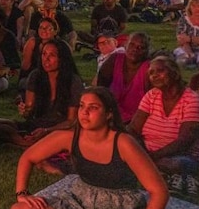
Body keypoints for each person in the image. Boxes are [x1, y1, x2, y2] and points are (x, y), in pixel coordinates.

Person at [12, 87, 168, 209]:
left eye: (93, 107)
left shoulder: (123, 143)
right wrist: (22, 193)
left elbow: (159, 192)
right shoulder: (68, 137)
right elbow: (28, 157)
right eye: (82, 106)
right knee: (20, 208)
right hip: (80, 197)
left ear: (108, 114)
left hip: (117, 204)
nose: (84, 112)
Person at [0, 40, 83, 148]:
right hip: (37, 125)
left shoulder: (73, 81)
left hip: (59, 128)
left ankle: (26, 143)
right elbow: (29, 114)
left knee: (69, 134)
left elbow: (71, 121)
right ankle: (26, 143)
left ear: (62, 59)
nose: (46, 59)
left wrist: (46, 131)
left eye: (52, 55)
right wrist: (24, 110)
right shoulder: (36, 76)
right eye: (44, 54)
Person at [127, 55, 199, 195]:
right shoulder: (151, 96)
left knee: (177, 164)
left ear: (175, 73)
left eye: (160, 71)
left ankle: (151, 171)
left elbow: (184, 141)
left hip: (178, 155)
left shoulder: (192, 100)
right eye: (151, 73)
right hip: (147, 152)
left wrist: (150, 157)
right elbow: (133, 129)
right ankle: (160, 174)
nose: (154, 76)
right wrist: (142, 152)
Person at [95, 32, 151, 123]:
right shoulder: (115, 59)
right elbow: (100, 86)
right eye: (132, 45)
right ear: (125, 45)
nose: (135, 49)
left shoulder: (148, 68)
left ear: (146, 52)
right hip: (110, 116)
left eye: (141, 47)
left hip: (137, 121)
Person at [174, 0, 199, 69]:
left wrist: (189, 39)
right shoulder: (184, 19)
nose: (197, 9)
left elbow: (186, 38)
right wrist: (190, 54)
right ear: (190, 7)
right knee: (182, 60)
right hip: (186, 48)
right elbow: (181, 39)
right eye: (193, 6)